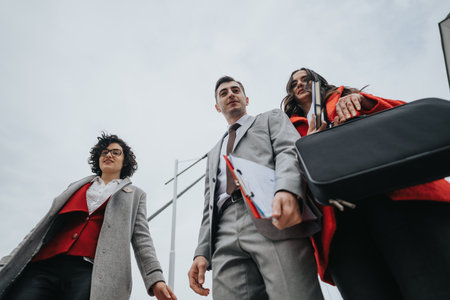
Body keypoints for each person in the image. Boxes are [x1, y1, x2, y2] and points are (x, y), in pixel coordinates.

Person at [282, 67, 450, 300]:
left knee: (431, 283)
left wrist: (365, 102)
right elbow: (285, 175)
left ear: (318, 83)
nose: (299, 84)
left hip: (393, 196)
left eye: (305, 79)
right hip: (337, 220)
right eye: (294, 83)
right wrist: (307, 147)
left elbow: (405, 114)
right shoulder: (285, 128)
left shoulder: (347, 97)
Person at [188, 76, 324, 300]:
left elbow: (289, 150)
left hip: (271, 211)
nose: (230, 94)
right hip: (223, 233)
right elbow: (208, 207)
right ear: (217, 106)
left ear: (246, 98)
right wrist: (201, 253)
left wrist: (287, 189)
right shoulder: (213, 153)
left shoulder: (270, 118)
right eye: (223, 93)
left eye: (235, 90)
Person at [0, 133, 176, 300]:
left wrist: (155, 279)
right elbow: (38, 230)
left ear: (124, 161)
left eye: (116, 152)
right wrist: (5, 264)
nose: (109, 155)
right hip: (43, 265)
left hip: (89, 272)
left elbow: (142, 239)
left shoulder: (135, 195)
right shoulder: (75, 187)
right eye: (104, 152)